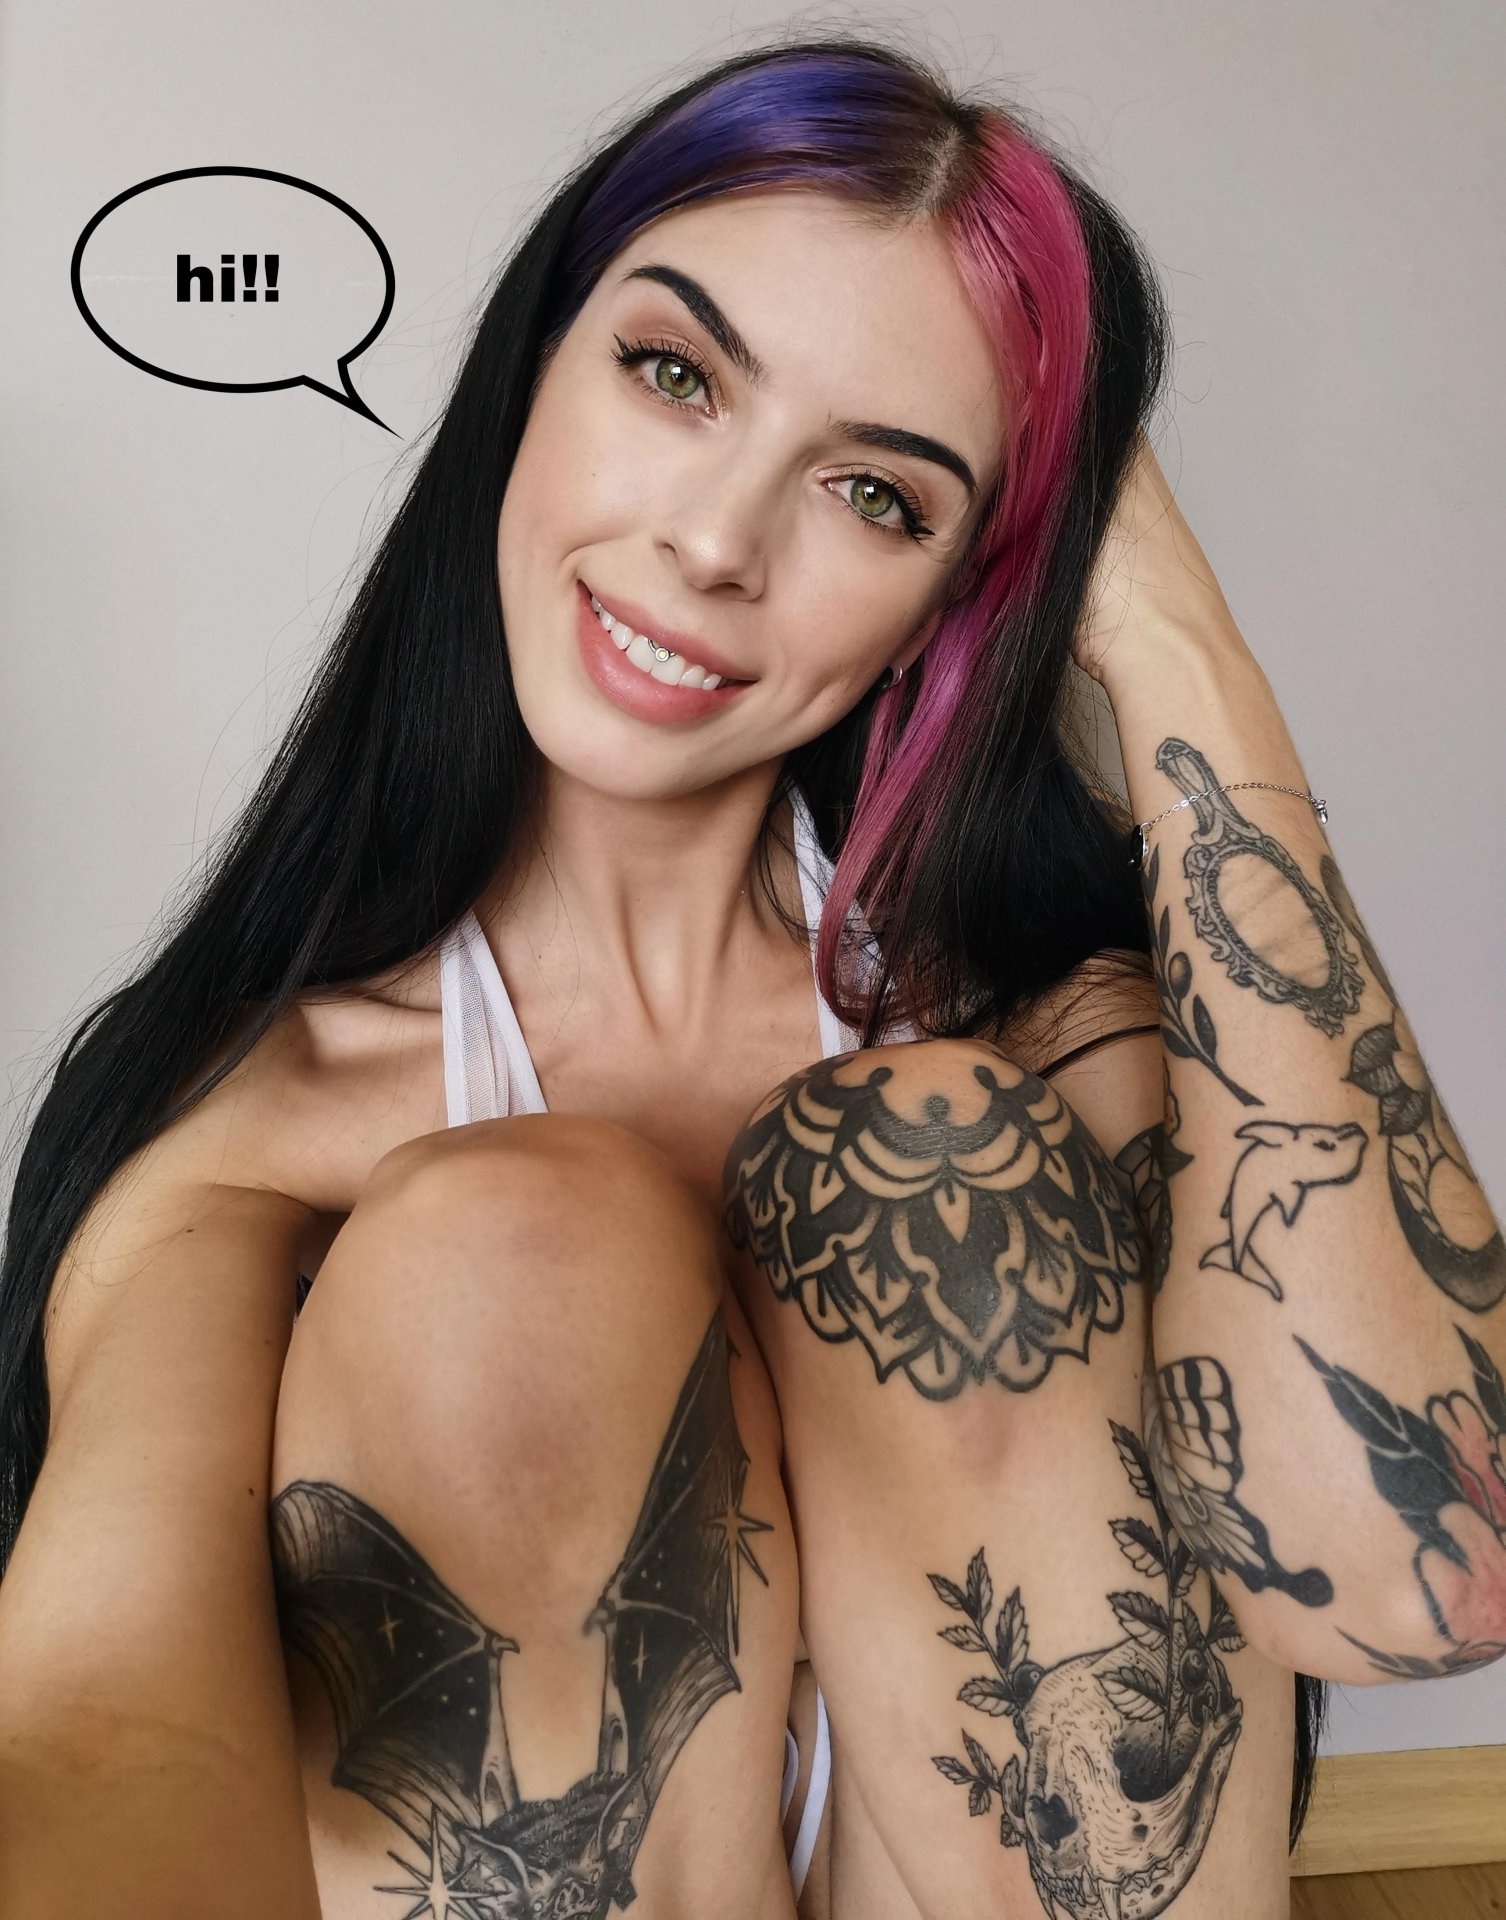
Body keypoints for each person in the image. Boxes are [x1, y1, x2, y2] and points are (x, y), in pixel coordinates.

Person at [2, 30, 1502, 1920]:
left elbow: (1411, 1587)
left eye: (878, 495)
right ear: (531, 369)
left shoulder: (1042, 1032)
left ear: (961, 595)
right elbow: (108, 1730)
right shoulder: (264, 1123)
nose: (713, 544)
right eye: (672, 373)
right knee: (509, 1249)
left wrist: (1167, 641)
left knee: (933, 1154)